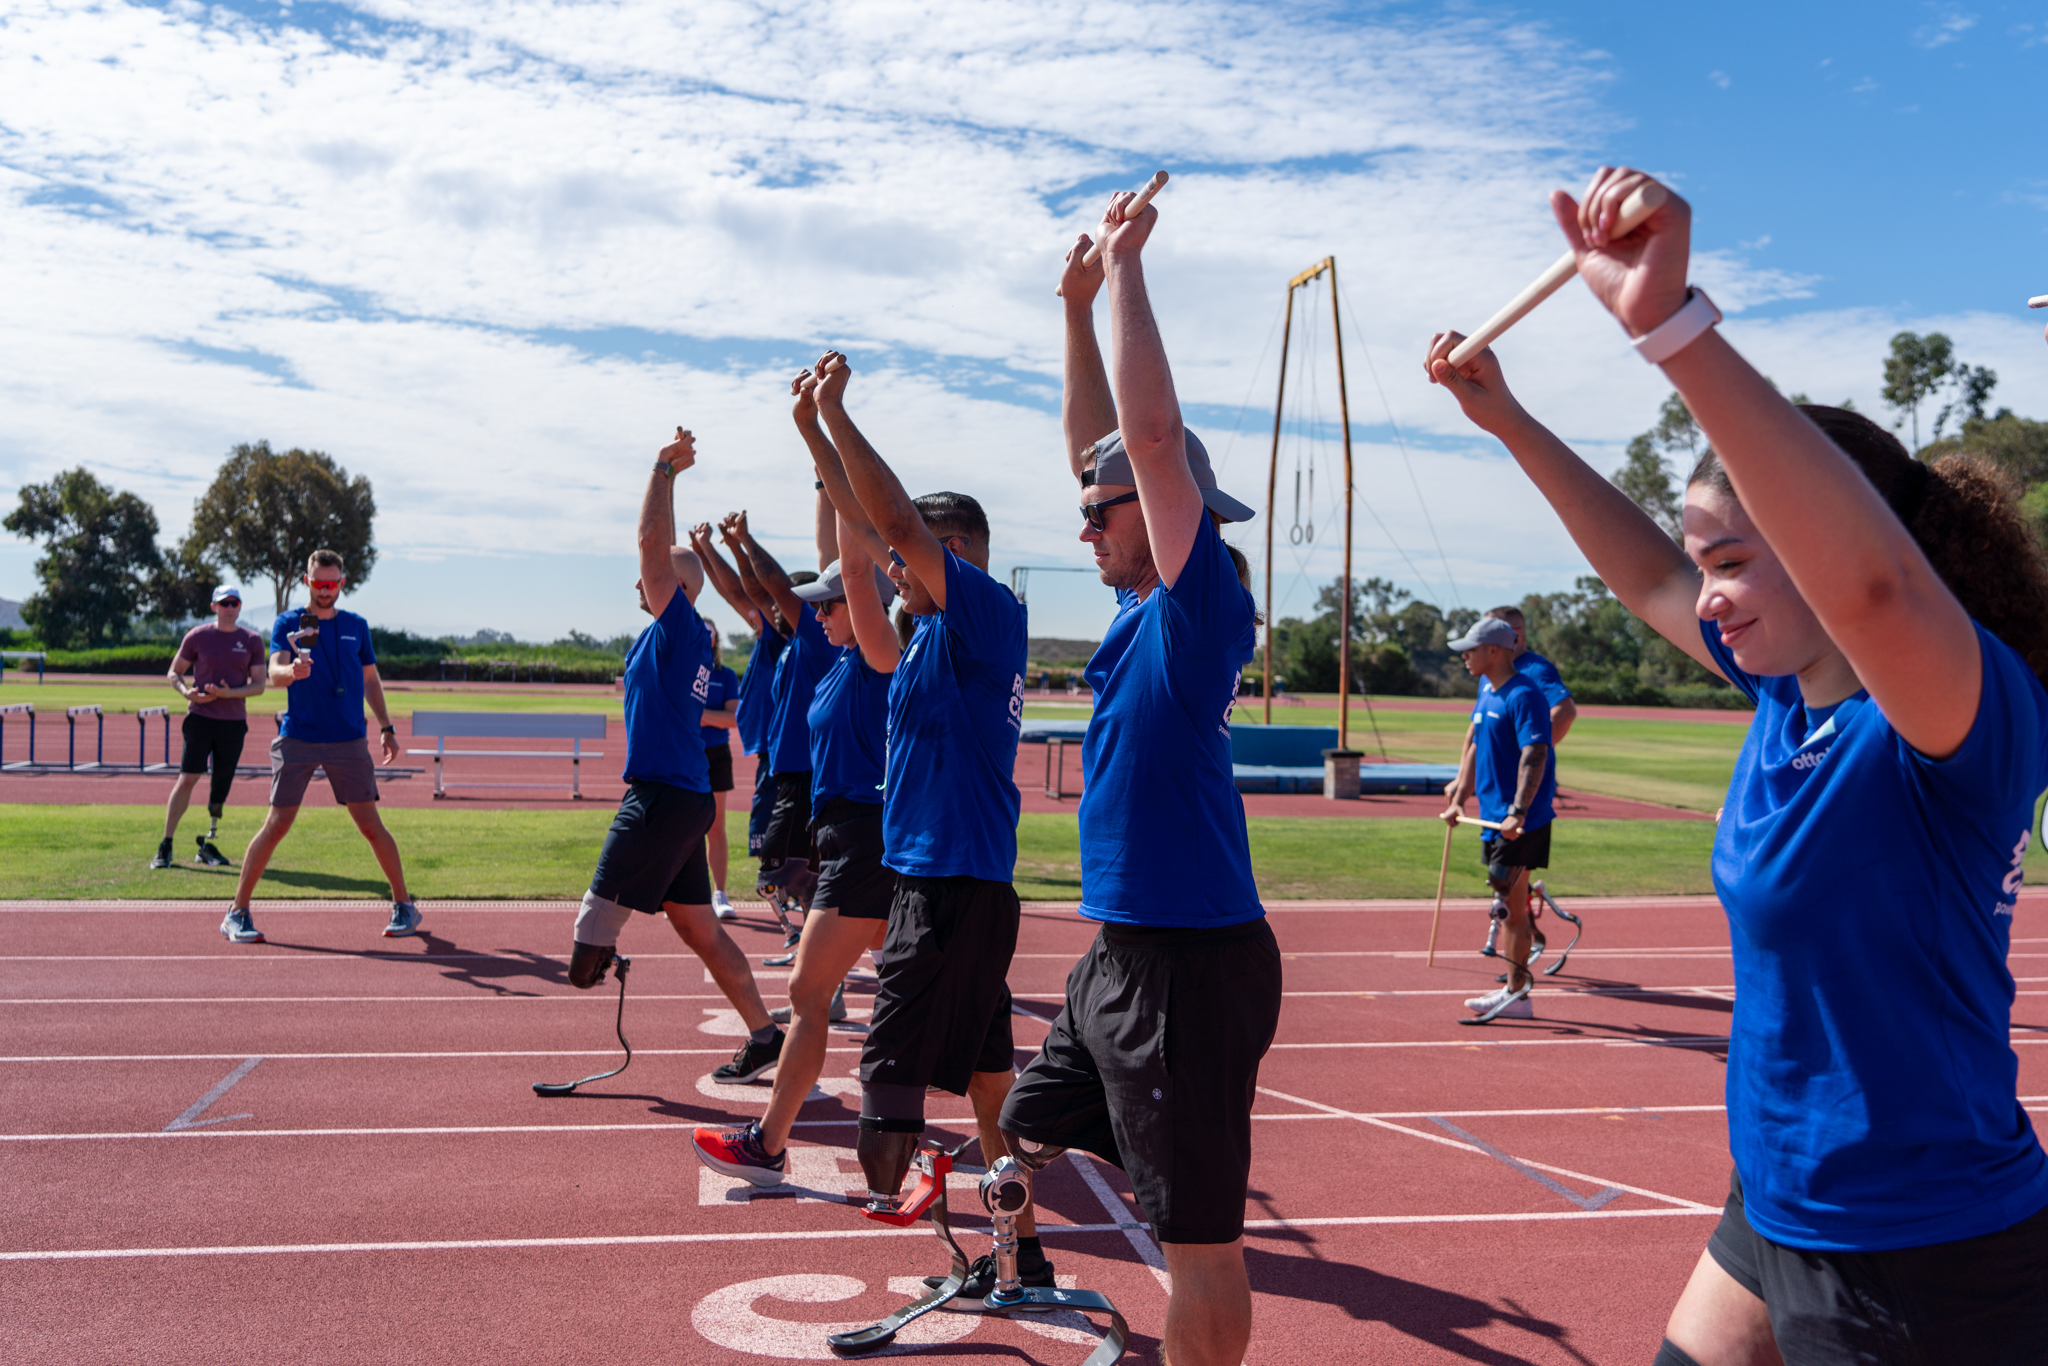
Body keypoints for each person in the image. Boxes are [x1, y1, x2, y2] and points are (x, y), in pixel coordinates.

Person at [1426, 167, 2048, 1366]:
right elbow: (1649, 579)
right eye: (1702, 559)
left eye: (1733, 560)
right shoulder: (1783, 693)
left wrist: (1670, 330)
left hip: (1920, 1252)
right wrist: (1505, 418)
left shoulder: (1955, 720)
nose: (1702, 594)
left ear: (1830, 540)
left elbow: (1872, 587)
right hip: (1773, 1207)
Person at [991, 191, 1281, 1364]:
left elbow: (1146, 447)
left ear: (1169, 518)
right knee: (1016, 1135)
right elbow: (1103, 455)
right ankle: (1018, 1272)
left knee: (1197, 1240)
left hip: (1189, 970)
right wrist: (1070, 311)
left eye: (1093, 516)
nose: (1079, 529)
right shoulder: (1133, 611)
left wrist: (1121, 272)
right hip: (1123, 951)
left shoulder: (1196, 604)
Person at [803, 347, 1032, 1234]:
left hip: (951, 885)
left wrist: (843, 416)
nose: (897, 571)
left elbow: (894, 526)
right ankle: (1020, 1247)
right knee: (983, 1074)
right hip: (936, 881)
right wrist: (814, 432)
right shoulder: (918, 642)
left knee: (888, 1078)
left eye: (916, 559)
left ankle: (890, 1208)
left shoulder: (983, 612)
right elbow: (865, 547)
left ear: (958, 552)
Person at [693, 420, 900, 1183]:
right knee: (935, 1008)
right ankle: (959, 1134)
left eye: (831, 602)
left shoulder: (876, 654)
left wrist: (824, 445)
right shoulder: (838, 658)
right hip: (850, 834)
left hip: (870, 835)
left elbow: (842, 562)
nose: (816, 611)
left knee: (808, 992)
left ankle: (770, 1143)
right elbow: (794, 589)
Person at [559, 428, 784, 1085]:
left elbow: (652, 545)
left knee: (582, 962)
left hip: (660, 799)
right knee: (699, 930)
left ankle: (606, 959)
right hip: (679, 797)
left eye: (653, 577)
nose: (639, 578)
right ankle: (765, 1035)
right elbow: (655, 556)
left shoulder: (679, 623)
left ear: (676, 588)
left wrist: (663, 470)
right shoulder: (673, 636)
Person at [219, 552, 416, 944]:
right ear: (307, 582)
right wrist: (291, 671)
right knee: (276, 825)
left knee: (370, 826)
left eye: (333, 584)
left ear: (342, 583)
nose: (326, 591)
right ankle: (236, 911)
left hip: (347, 739)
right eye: (318, 583)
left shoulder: (356, 626)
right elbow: (274, 670)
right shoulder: (290, 623)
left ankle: (404, 904)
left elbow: (371, 681)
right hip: (301, 737)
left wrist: (387, 727)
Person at [1439, 615, 1556, 1022]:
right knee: (1508, 897)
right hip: (1491, 816)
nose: (1464, 657)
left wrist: (1518, 811)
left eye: (1470, 650)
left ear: (1493, 650)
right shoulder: (1486, 689)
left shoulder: (1524, 695)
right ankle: (1514, 986)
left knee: (1508, 900)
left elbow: (1535, 753)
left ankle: (1518, 993)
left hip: (1521, 819)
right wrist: (1460, 797)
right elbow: (1475, 749)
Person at [721, 509, 835, 919]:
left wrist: (748, 543)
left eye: (786, 604)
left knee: (784, 874)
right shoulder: (786, 643)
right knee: (794, 874)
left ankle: (815, 942)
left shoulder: (815, 639)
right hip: (785, 771)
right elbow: (746, 593)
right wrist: (731, 546)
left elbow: (773, 587)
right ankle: (809, 942)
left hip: (803, 775)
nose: (772, 608)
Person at [689, 521, 786, 920]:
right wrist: (709, 550)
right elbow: (733, 592)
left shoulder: (782, 636)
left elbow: (740, 592)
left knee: (786, 858)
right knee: (780, 858)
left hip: (785, 758)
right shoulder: (771, 636)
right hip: (773, 754)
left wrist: (733, 545)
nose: (753, 611)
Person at [153, 584, 266, 870]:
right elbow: (174, 672)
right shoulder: (198, 636)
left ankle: (207, 842)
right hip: (200, 719)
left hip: (233, 722)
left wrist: (229, 693)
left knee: (222, 783)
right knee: (188, 777)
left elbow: (259, 686)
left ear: (239, 607)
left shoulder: (252, 640)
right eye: (224, 603)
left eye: (234, 604)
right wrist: (186, 692)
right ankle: (166, 844)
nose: (229, 609)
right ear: (214, 606)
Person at [697, 616, 741, 917]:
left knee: (716, 827)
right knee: (684, 826)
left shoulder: (726, 676)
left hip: (716, 754)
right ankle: (686, 895)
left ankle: (720, 894)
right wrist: (712, 715)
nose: (705, 637)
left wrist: (700, 714)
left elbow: (733, 719)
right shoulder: (683, 670)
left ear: (716, 639)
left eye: (709, 633)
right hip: (685, 753)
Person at [1485, 605, 1576, 743]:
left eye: (1489, 631)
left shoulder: (1536, 669)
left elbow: (1565, 712)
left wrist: (1532, 751)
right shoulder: (1490, 670)